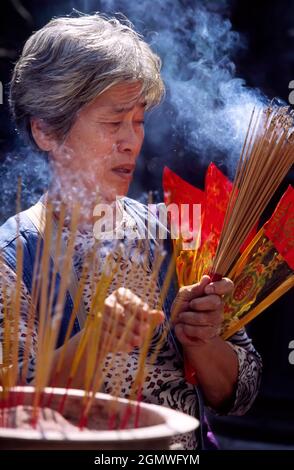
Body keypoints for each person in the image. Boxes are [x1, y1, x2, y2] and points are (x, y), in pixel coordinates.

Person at [0, 13, 262, 449]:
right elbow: (8, 403)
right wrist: (95, 342)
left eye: (138, 121)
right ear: (45, 129)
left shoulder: (175, 232)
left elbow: (239, 394)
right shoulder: (15, 256)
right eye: (113, 121)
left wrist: (201, 339)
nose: (131, 141)